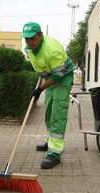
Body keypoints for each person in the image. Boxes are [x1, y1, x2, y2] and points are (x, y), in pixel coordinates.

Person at [20, 22, 74, 169]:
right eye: (27, 39)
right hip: (49, 78)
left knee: (58, 113)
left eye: (33, 38)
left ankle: (54, 154)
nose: (30, 42)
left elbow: (58, 75)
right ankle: (52, 141)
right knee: (49, 112)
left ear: (41, 35)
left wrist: (40, 89)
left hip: (62, 78)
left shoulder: (52, 49)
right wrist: (43, 83)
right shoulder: (30, 48)